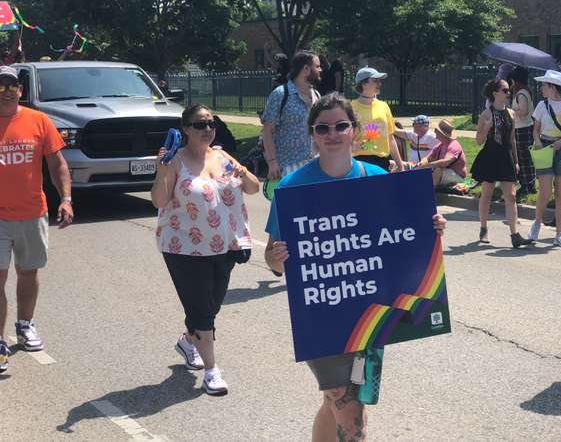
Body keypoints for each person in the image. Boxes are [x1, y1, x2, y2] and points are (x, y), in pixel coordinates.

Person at [263, 92, 446, 442]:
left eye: (340, 126)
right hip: (322, 319)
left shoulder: (377, 178)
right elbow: (272, 260)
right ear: (312, 134)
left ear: (355, 130)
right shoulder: (292, 189)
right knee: (351, 415)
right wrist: (275, 259)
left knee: (335, 402)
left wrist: (430, 230)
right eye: (322, 128)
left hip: (368, 315)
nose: (332, 134)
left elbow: (402, 240)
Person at [151, 104, 260, 395]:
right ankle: (212, 371)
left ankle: (189, 341)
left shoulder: (222, 157)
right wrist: (161, 168)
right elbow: (160, 200)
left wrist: (241, 168)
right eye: (200, 124)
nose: (207, 129)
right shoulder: (175, 161)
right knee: (201, 309)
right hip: (183, 247)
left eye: (211, 123)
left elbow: (253, 188)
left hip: (223, 245)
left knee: (211, 305)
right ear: (185, 129)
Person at [0, 65, 73, 374]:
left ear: (20, 89)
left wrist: (66, 199)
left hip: (32, 213)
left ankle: (25, 324)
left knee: (28, 274)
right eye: (0, 85)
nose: (6, 90)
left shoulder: (38, 121)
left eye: (11, 85)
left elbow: (57, 165)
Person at [471, 79, 533, 248]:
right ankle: (483, 229)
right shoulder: (485, 114)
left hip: (506, 156)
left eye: (508, 90)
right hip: (491, 154)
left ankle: (515, 235)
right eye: (505, 90)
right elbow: (478, 141)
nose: (508, 93)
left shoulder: (511, 113)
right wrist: (487, 126)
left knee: (511, 196)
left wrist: (516, 160)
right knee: (487, 194)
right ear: (495, 93)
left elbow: (512, 139)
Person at [528, 70, 561, 248]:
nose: (541, 88)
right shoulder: (542, 105)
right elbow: (535, 129)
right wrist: (537, 142)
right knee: (545, 191)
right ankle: (536, 224)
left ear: (552, 87)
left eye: (544, 85)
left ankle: (559, 233)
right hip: (544, 147)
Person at [261, 51, 322, 181]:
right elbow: (267, 130)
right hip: (289, 165)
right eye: (317, 66)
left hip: (315, 162)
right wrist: (272, 162)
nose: (320, 70)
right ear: (306, 69)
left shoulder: (316, 95)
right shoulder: (280, 94)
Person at [351, 67, 404, 172]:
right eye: (375, 81)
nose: (380, 84)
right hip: (359, 163)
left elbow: (390, 138)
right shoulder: (350, 108)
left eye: (379, 81)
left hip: (383, 162)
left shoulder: (384, 106)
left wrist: (400, 165)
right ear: (363, 83)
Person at [509, 67, 536, 197]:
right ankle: (528, 183)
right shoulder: (524, 92)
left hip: (523, 128)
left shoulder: (521, 94)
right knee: (525, 156)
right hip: (525, 127)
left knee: (523, 157)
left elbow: (524, 111)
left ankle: (527, 184)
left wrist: (511, 112)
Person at [418, 120, 467, 188]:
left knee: (438, 171)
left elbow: (445, 162)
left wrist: (427, 165)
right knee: (424, 171)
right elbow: (428, 158)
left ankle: (428, 194)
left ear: (441, 133)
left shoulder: (454, 145)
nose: (434, 131)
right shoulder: (440, 145)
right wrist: (422, 163)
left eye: (436, 130)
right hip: (447, 173)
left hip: (458, 177)